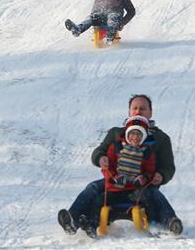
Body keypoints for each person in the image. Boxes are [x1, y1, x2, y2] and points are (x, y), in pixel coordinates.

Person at [58, 95, 182, 237]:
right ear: (129, 111)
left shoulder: (160, 138)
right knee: (93, 188)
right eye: (134, 108)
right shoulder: (117, 133)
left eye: (143, 108)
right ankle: (73, 220)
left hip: (142, 184)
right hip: (115, 180)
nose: (138, 111)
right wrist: (100, 158)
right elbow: (98, 152)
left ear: (150, 112)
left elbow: (168, 167)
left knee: (155, 195)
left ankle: (170, 223)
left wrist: (161, 175)